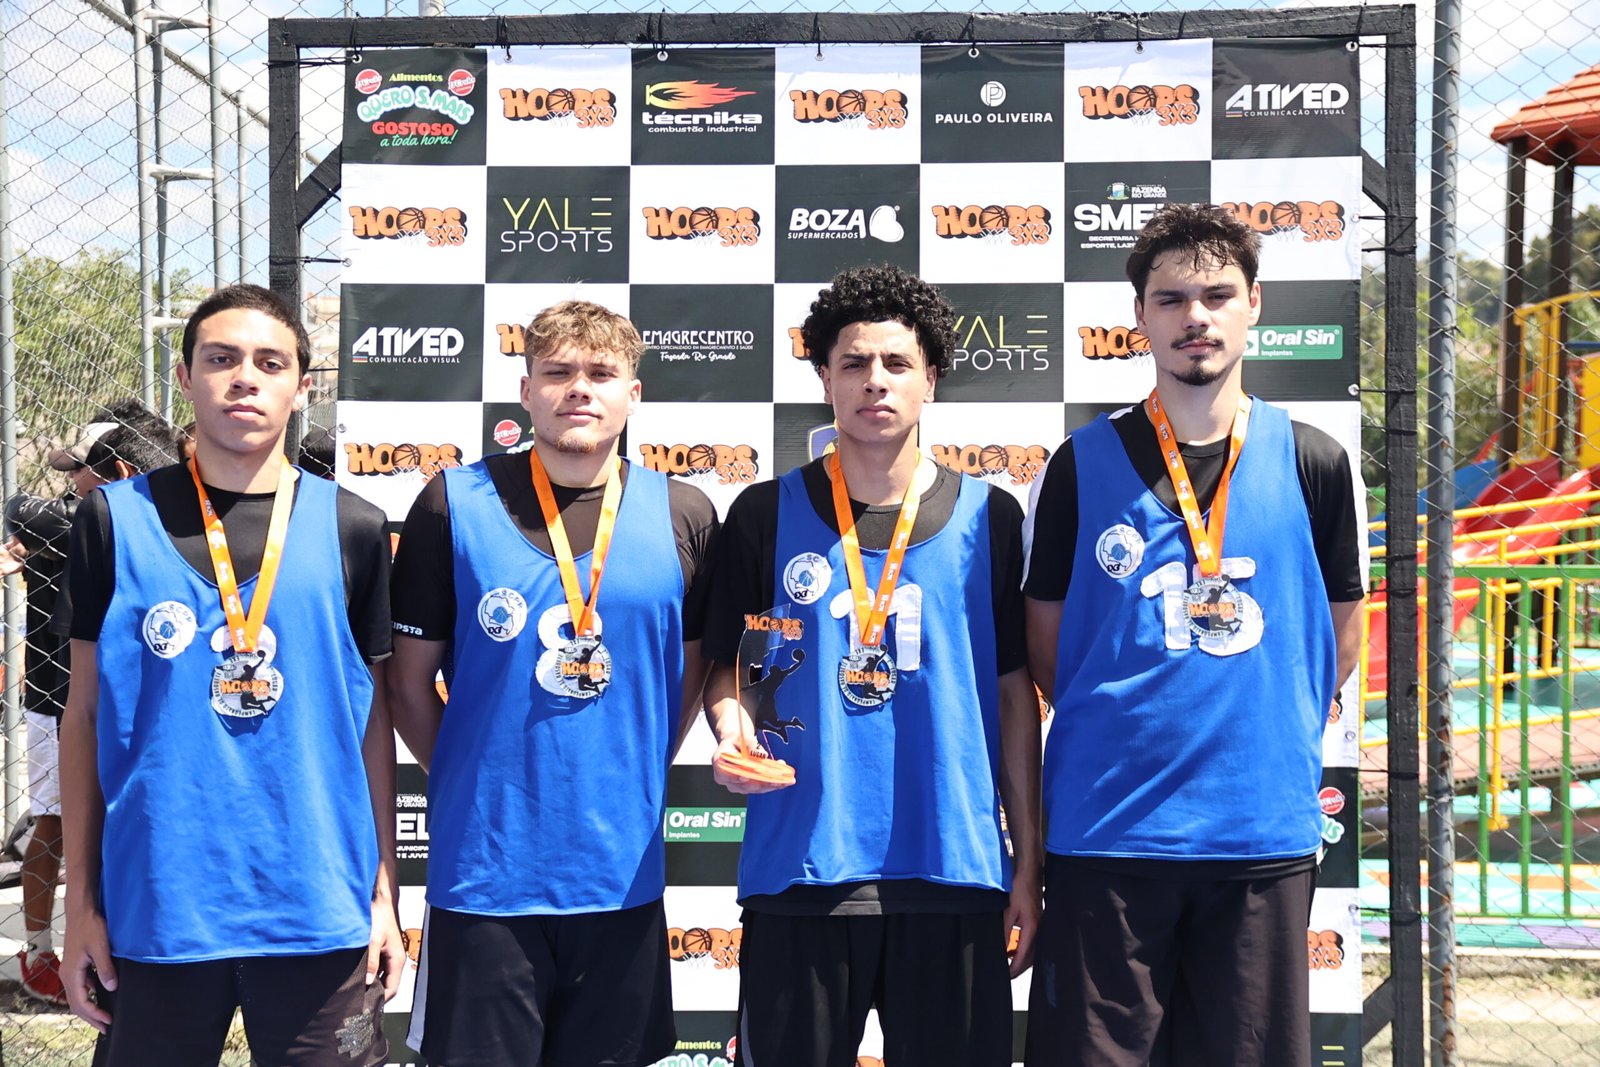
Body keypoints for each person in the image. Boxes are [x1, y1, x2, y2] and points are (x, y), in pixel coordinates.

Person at [1021, 203, 1365, 1067]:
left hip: (1258, 830)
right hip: (1107, 829)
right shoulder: (1079, 463)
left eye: (1217, 295)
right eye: (1171, 299)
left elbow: (1338, 636)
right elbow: (1049, 647)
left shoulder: (1315, 459)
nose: (1195, 317)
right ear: (1139, 315)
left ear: (1255, 304)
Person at [56, 284, 404, 1065]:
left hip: (317, 906)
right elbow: (81, 716)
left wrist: (384, 889)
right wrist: (81, 905)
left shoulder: (353, 525)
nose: (245, 377)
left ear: (301, 387)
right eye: (221, 358)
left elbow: (371, 720)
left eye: (269, 362)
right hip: (159, 906)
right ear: (185, 377)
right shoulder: (112, 520)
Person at [704, 263, 1042, 1067]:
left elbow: (1014, 697)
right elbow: (736, 671)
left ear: (932, 379)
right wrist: (731, 732)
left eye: (897, 362)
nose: (875, 380)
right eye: (853, 362)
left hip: (953, 869)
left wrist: (1028, 859)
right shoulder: (763, 513)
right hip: (803, 868)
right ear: (824, 378)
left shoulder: (991, 517)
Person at [386, 299, 718, 1067]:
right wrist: (476, 777)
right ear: (526, 390)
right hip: (486, 875)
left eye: (601, 372)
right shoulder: (452, 502)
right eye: (558, 371)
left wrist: (626, 770)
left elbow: (690, 674)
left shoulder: (684, 511)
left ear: (634, 392)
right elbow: (406, 685)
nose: (579, 388)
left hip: (620, 874)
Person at [1, 402, 180, 1007]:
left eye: (79, 469)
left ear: (118, 470)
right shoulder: (76, 519)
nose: (71, 480)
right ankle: (37, 952)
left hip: (125, 700)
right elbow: (20, 507)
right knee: (55, 823)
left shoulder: (140, 520)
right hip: (57, 701)